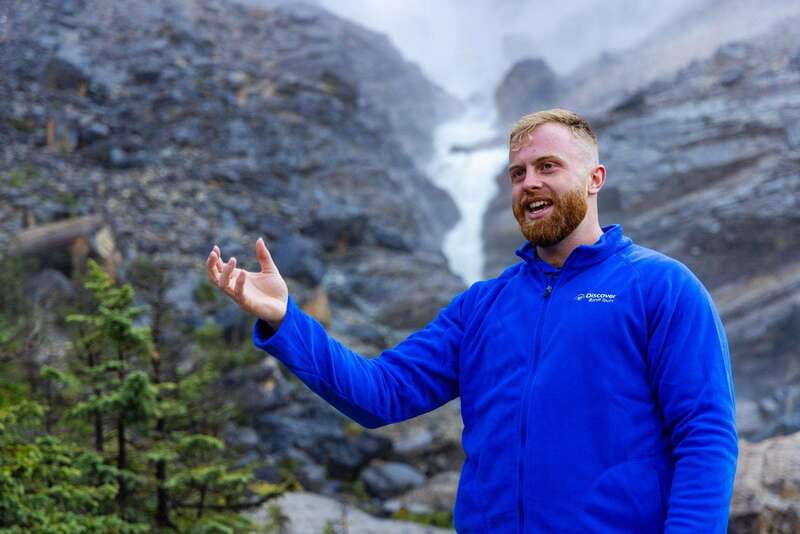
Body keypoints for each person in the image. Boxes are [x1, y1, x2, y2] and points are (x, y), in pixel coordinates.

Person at [206, 109, 738, 533]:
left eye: (548, 167)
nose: (529, 183)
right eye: (518, 174)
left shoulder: (661, 287)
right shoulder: (482, 305)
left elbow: (705, 436)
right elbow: (380, 393)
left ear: (595, 178)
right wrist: (286, 320)